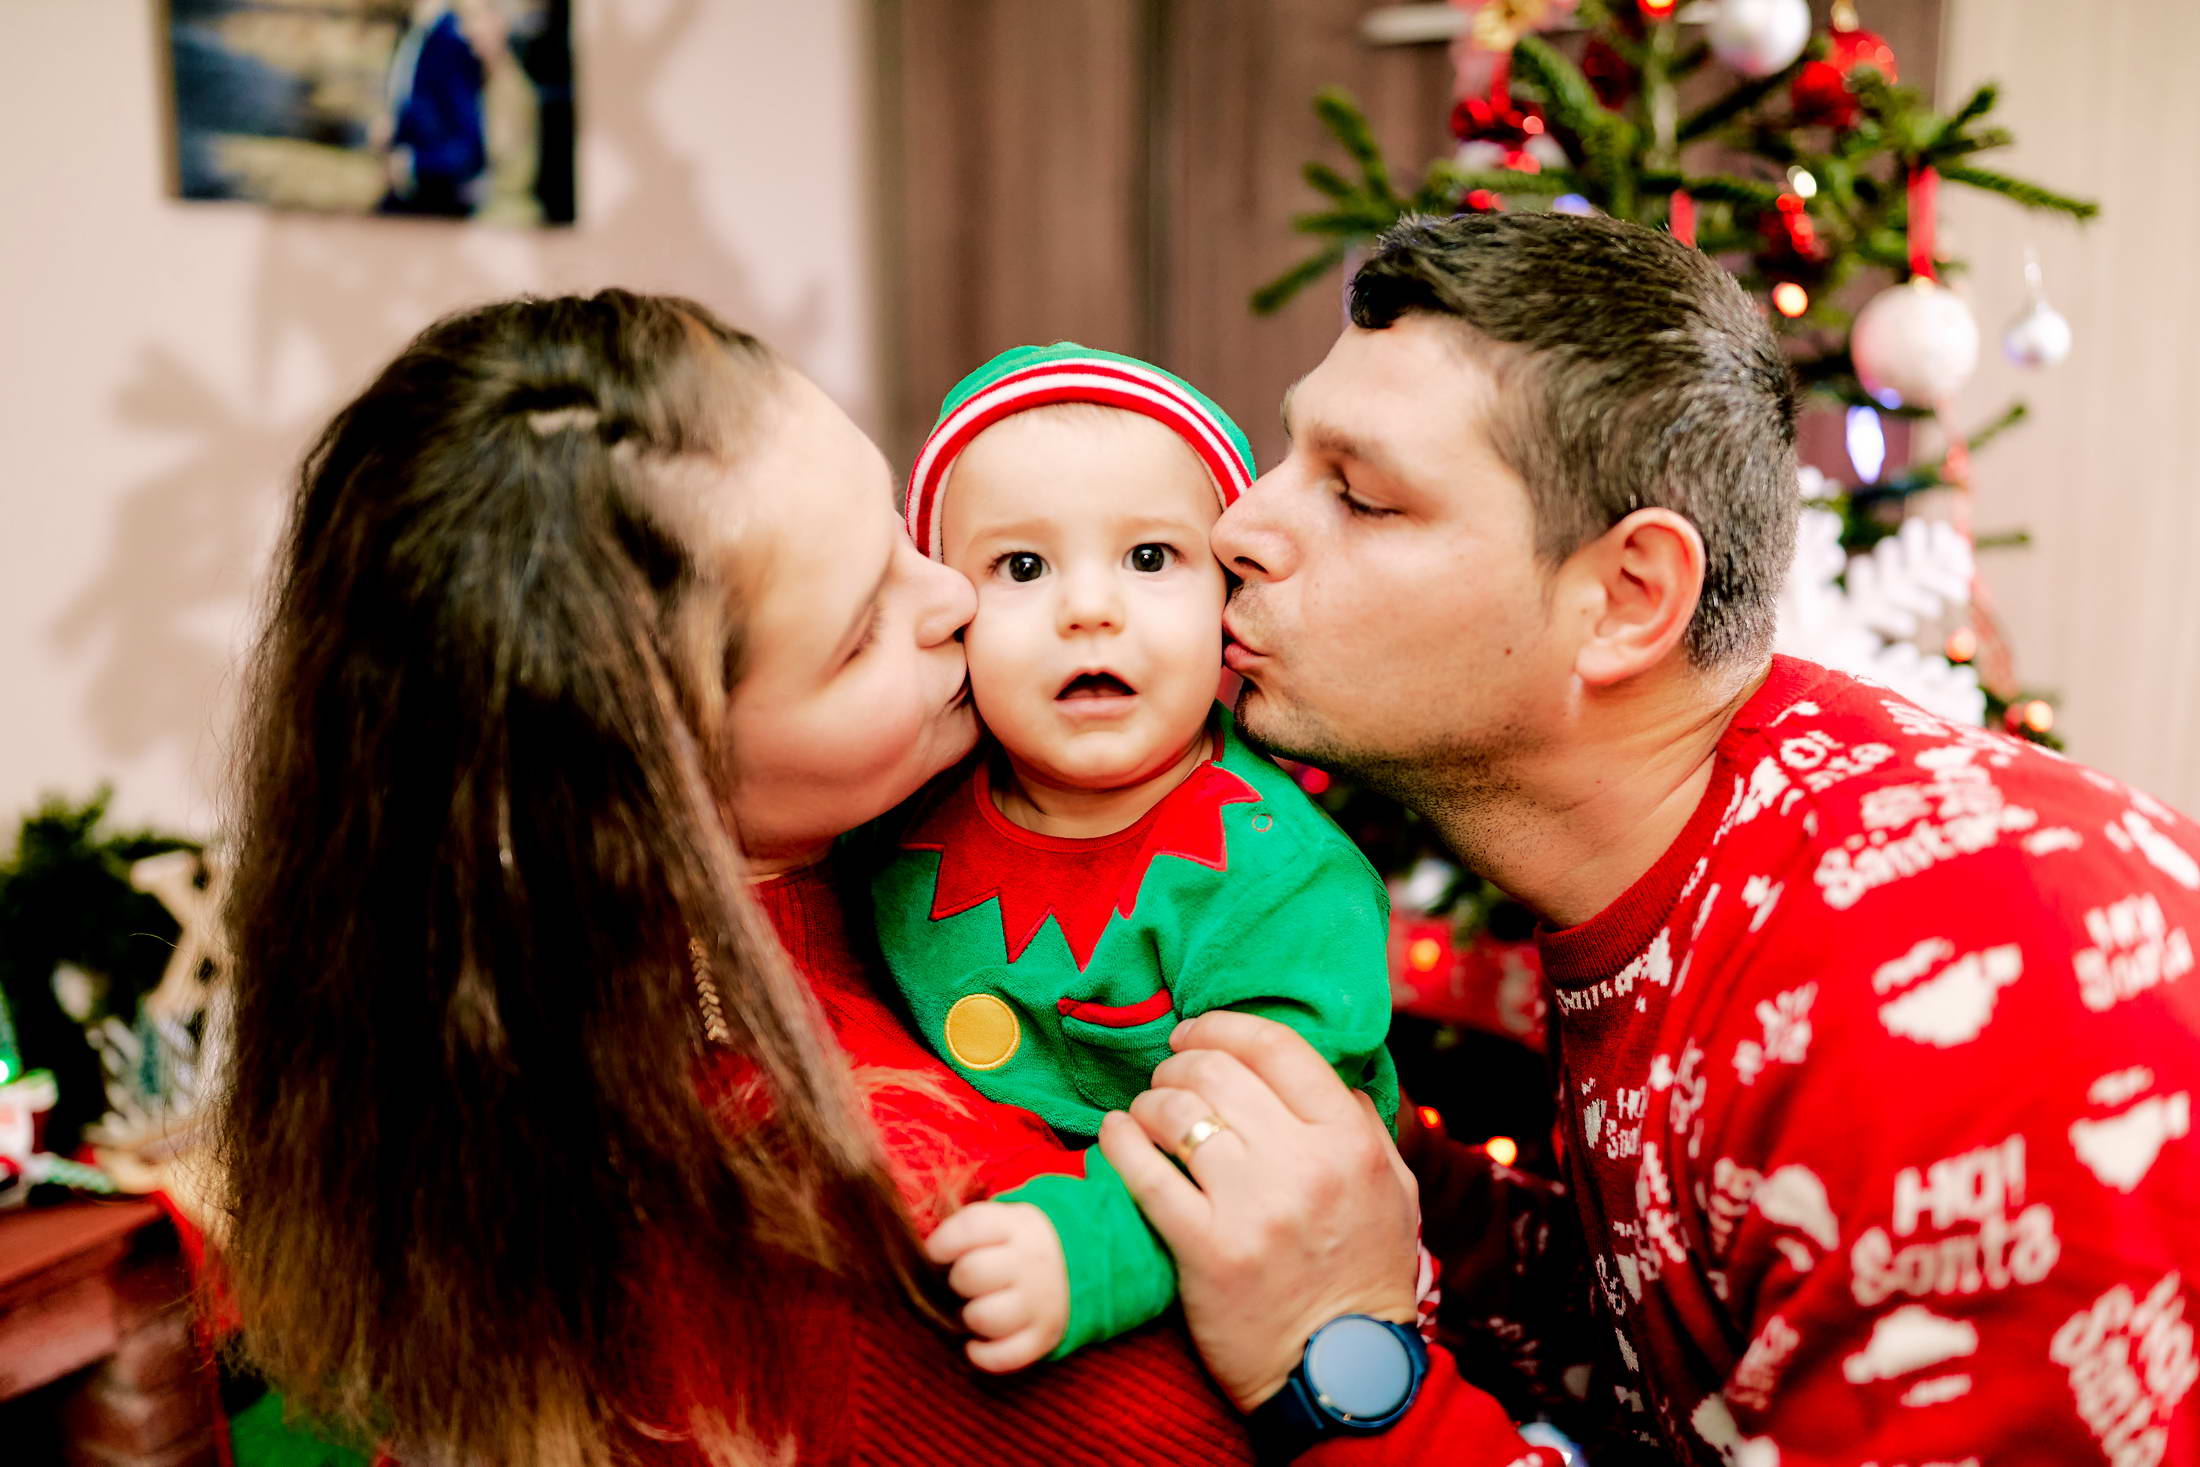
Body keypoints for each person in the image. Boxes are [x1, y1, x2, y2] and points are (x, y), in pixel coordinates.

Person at [1096, 212, 2200, 1464]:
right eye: (1292, 454)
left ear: (1627, 600)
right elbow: (1682, 1343)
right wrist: (1374, 1174)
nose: (1239, 527)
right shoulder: (1698, 853)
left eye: (1360, 495)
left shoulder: (1970, 992)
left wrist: (1331, 1353)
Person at [215, 292, 1257, 1466]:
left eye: (900, 535)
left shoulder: (559, 985)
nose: (956, 596)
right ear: (650, 777)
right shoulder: (851, 1209)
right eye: (860, 632)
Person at [869, 344, 1400, 1370]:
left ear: (1226, 599)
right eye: (1022, 568)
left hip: (1242, 1301)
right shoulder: (901, 797)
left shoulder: (1279, 880)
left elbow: (1269, 1145)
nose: (1089, 609)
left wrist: (1094, 1248)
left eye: (1150, 558)